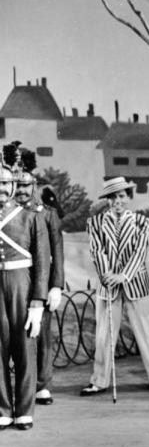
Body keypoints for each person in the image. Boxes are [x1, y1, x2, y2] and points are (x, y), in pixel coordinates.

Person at [82, 177, 149, 396]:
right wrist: (108, 275)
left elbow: (140, 252)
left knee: (147, 331)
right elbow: (97, 251)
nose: (117, 201)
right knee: (104, 334)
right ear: (107, 201)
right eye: (112, 197)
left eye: (121, 196)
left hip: (135, 282)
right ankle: (99, 381)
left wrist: (123, 275)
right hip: (108, 284)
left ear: (129, 197)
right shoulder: (95, 223)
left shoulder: (142, 222)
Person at [0, 164, 49, 430]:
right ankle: (3, 409)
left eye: (7, 183)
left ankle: (24, 410)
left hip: (22, 284)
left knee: (24, 347)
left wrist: (38, 302)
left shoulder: (31, 218)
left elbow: (42, 264)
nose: (3, 188)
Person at [15, 170, 64, 406]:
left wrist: (56, 286)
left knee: (42, 334)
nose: (22, 191)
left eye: (27, 186)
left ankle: (42, 384)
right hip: (16, 281)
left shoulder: (47, 214)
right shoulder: (11, 213)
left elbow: (57, 252)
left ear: (35, 186)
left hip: (41, 282)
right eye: (18, 186)